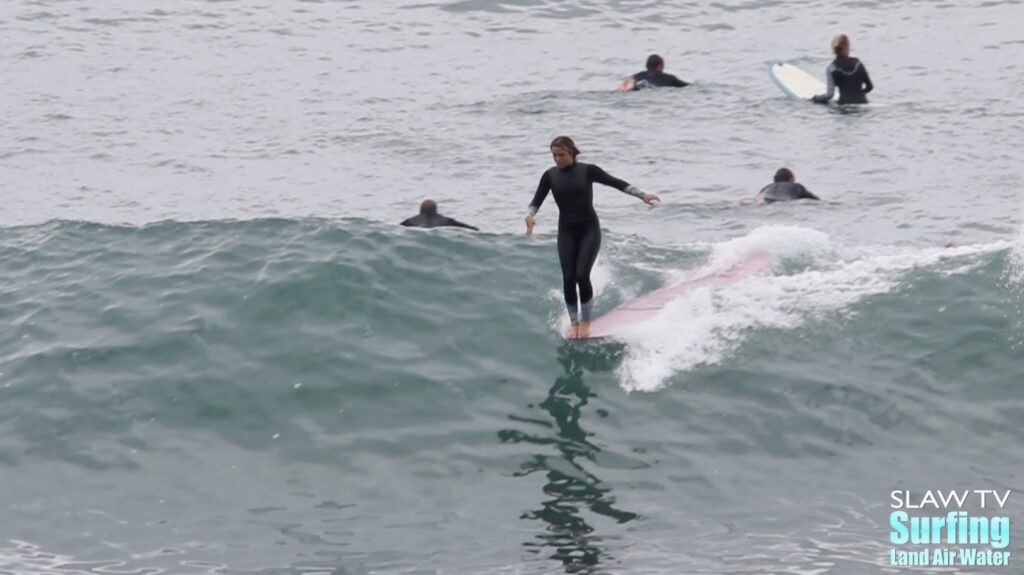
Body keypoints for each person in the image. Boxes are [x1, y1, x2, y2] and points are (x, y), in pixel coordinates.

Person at [525, 136, 660, 339]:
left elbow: (616, 183)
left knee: (581, 275)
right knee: (568, 279)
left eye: (561, 155)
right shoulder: (550, 176)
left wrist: (641, 195)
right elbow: (536, 200)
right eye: (554, 156)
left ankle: (587, 320)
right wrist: (529, 216)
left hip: (589, 230)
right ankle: (574, 323)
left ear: (572, 153)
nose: (557, 159)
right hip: (566, 232)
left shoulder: (588, 171)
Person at [811, 34, 873, 104]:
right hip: (862, 103)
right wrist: (858, 95)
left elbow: (830, 95)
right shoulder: (858, 63)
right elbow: (870, 87)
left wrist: (815, 98)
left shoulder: (831, 68)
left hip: (844, 105)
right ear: (846, 47)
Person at [616, 54, 689, 92]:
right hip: (653, 89)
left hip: (639, 88)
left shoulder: (635, 76)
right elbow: (687, 87)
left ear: (647, 66)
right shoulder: (670, 78)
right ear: (660, 66)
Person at [753, 168, 819, 205]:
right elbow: (815, 200)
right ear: (791, 179)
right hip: (784, 203)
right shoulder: (796, 186)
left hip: (766, 201)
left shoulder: (766, 187)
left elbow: (756, 198)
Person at [400, 200, 478, 230]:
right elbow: (464, 226)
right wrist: (474, 228)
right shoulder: (446, 221)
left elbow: (397, 228)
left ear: (420, 210)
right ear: (436, 210)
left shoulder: (410, 221)